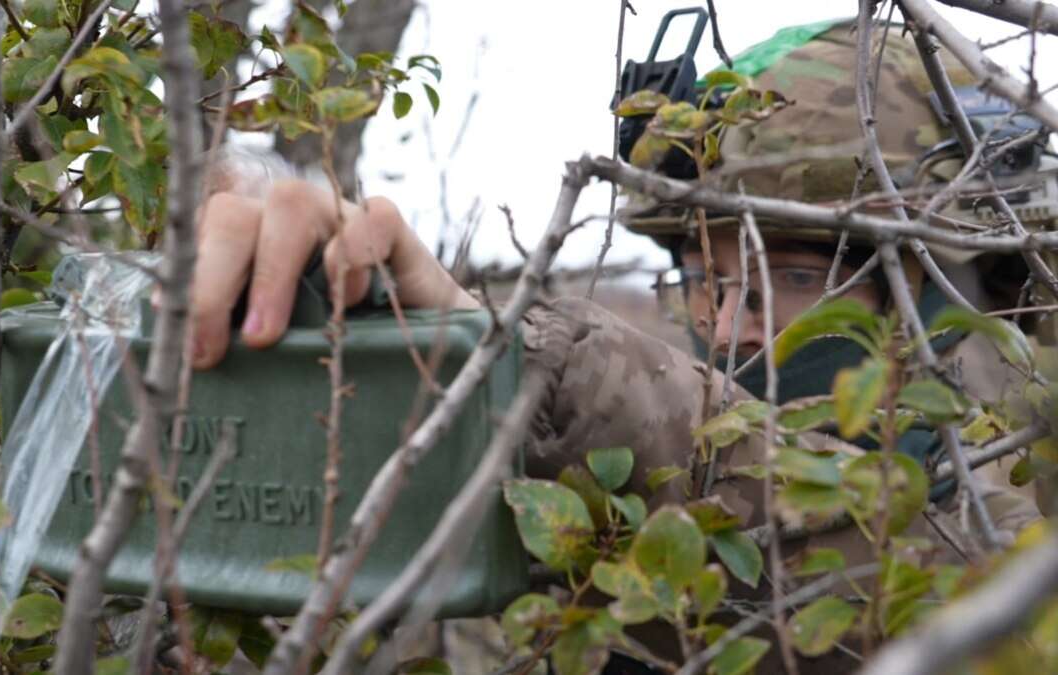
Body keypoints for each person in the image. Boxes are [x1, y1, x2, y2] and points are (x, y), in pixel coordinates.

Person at [191, 19, 1045, 673]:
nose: (723, 324)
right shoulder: (613, 544)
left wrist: (509, 366)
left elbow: (904, 571)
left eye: (786, 272)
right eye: (706, 278)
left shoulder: (1019, 549)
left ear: (964, 293)